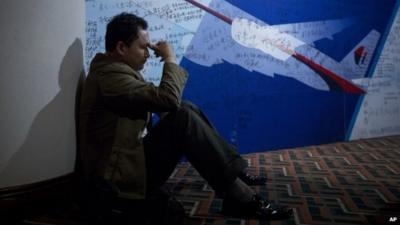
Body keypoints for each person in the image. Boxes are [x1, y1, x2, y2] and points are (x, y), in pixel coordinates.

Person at [78, 12, 292, 221]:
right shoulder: (111, 76)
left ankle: (231, 175)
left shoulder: (116, 71)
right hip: (113, 178)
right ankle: (240, 194)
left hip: (128, 160)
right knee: (182, 116)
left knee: (185, 110)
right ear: (121, 47)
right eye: (144, 47)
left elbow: (166, 103)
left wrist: (177, 111)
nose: (149, 53)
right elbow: (168, 99)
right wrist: (170, 59)